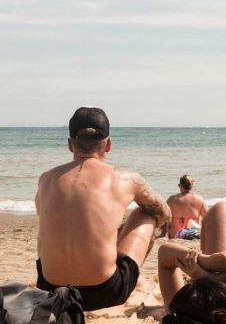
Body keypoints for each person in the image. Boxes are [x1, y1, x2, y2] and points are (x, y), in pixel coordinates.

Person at [35, 107, 171, 311]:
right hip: (104, 292)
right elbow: (164, 212)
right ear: (108, 145)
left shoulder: (46, 179)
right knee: (145, 213)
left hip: (51, 291)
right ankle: (136, 278)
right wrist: (155, 228)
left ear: (70, 145)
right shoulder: (126, 178)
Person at [166, 175, 208, 239]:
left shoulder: (172, 199)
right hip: (193, 233)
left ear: (180, 185)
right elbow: (208, 218)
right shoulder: (199, 199)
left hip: (175, 234)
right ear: (191, 186)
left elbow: (164, 217)